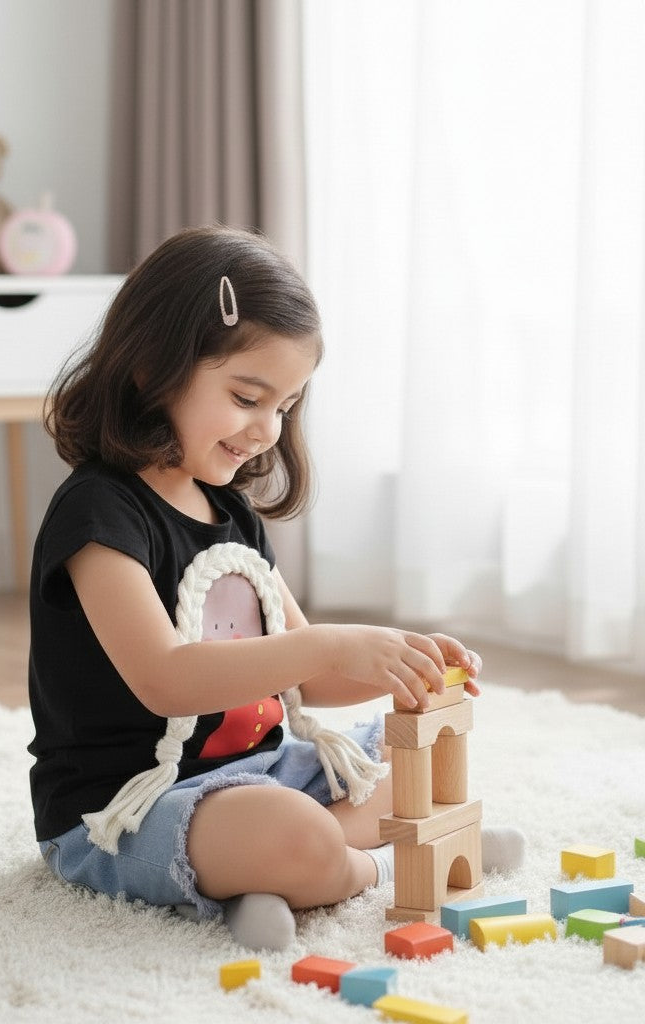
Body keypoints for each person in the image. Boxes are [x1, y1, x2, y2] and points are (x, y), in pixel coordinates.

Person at [27, 225, 522, 951]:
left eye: (285, 406)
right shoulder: (99, 516)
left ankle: (283, 876)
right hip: (126, 809)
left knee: (406, 773)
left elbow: (307, 679)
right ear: (151, 370)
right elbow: (167, 680)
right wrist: (327, 641)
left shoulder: (230, 512)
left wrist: (398, 660)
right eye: (246, 397)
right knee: (290, 829)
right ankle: (371, 868)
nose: (267, 428)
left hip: (257, 777)